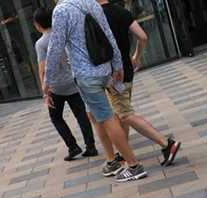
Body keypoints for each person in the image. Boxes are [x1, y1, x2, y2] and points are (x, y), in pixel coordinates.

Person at [44, 0, 147, 183]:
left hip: (86, 75)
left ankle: (133, 165)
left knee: (107, 118)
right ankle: (112, 161)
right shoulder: (92, 3)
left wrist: (47, 80)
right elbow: (109, 36)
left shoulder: (61, 10)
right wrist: (117, 65)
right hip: (105, 69)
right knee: (96, 116)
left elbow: (55, 48)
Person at [97, 0, 181, 175]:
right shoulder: (121, 11)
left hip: (114, 74)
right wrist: (137, 56)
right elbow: (142, 36)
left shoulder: (96, 16)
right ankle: (123, 151)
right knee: (122, 113)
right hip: (127, 69)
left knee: (125, 114)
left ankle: (166, 143)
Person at [34, 7, 98, 162]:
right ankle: (90, 146)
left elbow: (43, 68)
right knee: (81, 115)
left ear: (37, 24)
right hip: (73, 82)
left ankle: (73, 147)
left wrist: (45, 91)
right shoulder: (63, 34)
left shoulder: (41, 43)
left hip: (55, 87)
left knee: (56, 117)